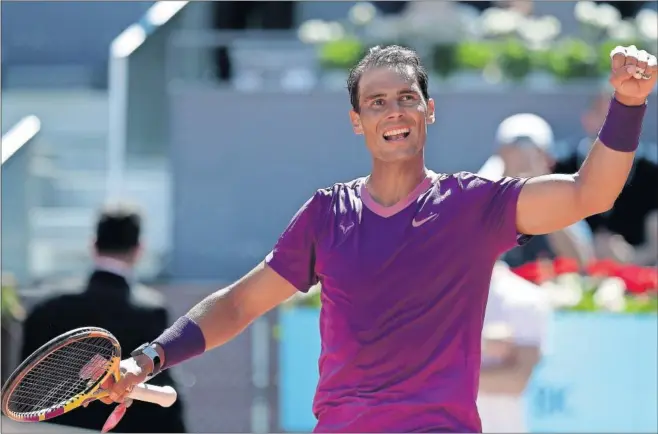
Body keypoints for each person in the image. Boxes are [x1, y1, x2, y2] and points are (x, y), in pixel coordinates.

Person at [104, 44, 656, 433]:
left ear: (428, 110)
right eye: (376, 102)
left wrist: (628, 105)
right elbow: (240, 303)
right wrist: (150, 357)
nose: (393, 110)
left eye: (406, 98)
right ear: (356, 121)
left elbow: (591, 194)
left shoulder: (474, 205)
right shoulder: (326, 214)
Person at [19, 203, 187, 433]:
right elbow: (164, 402)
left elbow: (23, 389)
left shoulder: (46, 306)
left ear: (93, 245)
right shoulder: (151, 312)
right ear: (139, 249)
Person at [553, 91, 658, 265]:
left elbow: (654, 246)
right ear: (588, 119)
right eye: (607, 115)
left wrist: (629, 259)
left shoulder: (651, 171)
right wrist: (584, 253)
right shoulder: (560, 167)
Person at [481, 113, 595, 269]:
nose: (523, 159)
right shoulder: (482, 198)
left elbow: (583, 263)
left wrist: (540, 195)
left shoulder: (566, 202)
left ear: (548, 160)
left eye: (534, 152)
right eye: (514, 150)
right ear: (502, 155)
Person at [478, 261, 551, 433]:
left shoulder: (523, 298)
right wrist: (481, 345)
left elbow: (516, 381)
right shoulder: (422, 292)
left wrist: (437, 375)